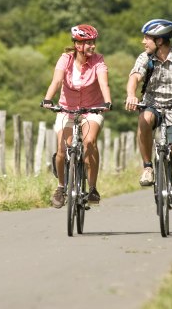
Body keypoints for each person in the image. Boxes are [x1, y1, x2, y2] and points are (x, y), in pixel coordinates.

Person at [124, 19, 172, 223]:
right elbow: (134, 76)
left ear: (160, 41)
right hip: (153, 105)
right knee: (144, 118)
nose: (143, 42)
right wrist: (131, 94)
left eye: (147, 38)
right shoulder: (146, 58)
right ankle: (148, 167)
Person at [41, 24, 112, 209]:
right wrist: (48, 99)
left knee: (89, 142)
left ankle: (93, 187)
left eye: (94, 42)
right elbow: (56, 81)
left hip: (92, 109)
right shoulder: (65, 59)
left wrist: (107, 102)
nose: (93, 46)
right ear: (78, 45)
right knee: (62, 149)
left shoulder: (98, 60)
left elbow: (104, 83)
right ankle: (61, 187)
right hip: (67, 109)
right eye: (88, 43)